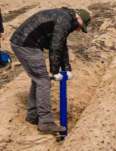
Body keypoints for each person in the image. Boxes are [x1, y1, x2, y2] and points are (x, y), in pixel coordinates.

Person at [10, 7, 90, 135]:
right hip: (25, 44)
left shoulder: (65, 18)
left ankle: (33, 115)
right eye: (81, 26)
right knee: (43, 81)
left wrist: (66, 69)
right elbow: (55, 46)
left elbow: (62, 45)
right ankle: (45, 121)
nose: (79, 29)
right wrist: (55, 72)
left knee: (38, 80)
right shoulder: (65, 20)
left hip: (23, 42)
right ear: (78, 18)